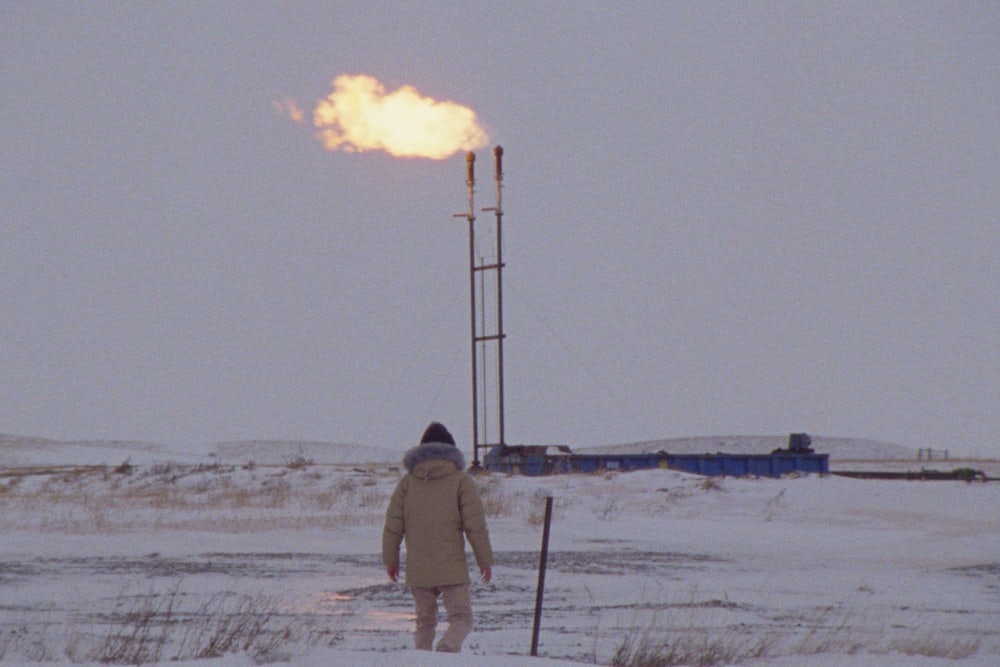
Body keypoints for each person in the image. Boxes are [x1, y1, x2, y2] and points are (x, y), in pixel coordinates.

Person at [382, 422, 494, 652]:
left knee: (424, 622)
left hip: (419, 566)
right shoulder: (461, 481)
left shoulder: (407, 483)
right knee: (462, 619)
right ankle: (447, 648)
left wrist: (390, 560)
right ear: (451, 449)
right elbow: (475, 526)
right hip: (451, 566)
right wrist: (485, 560)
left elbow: (393, 525)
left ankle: (422, 659)